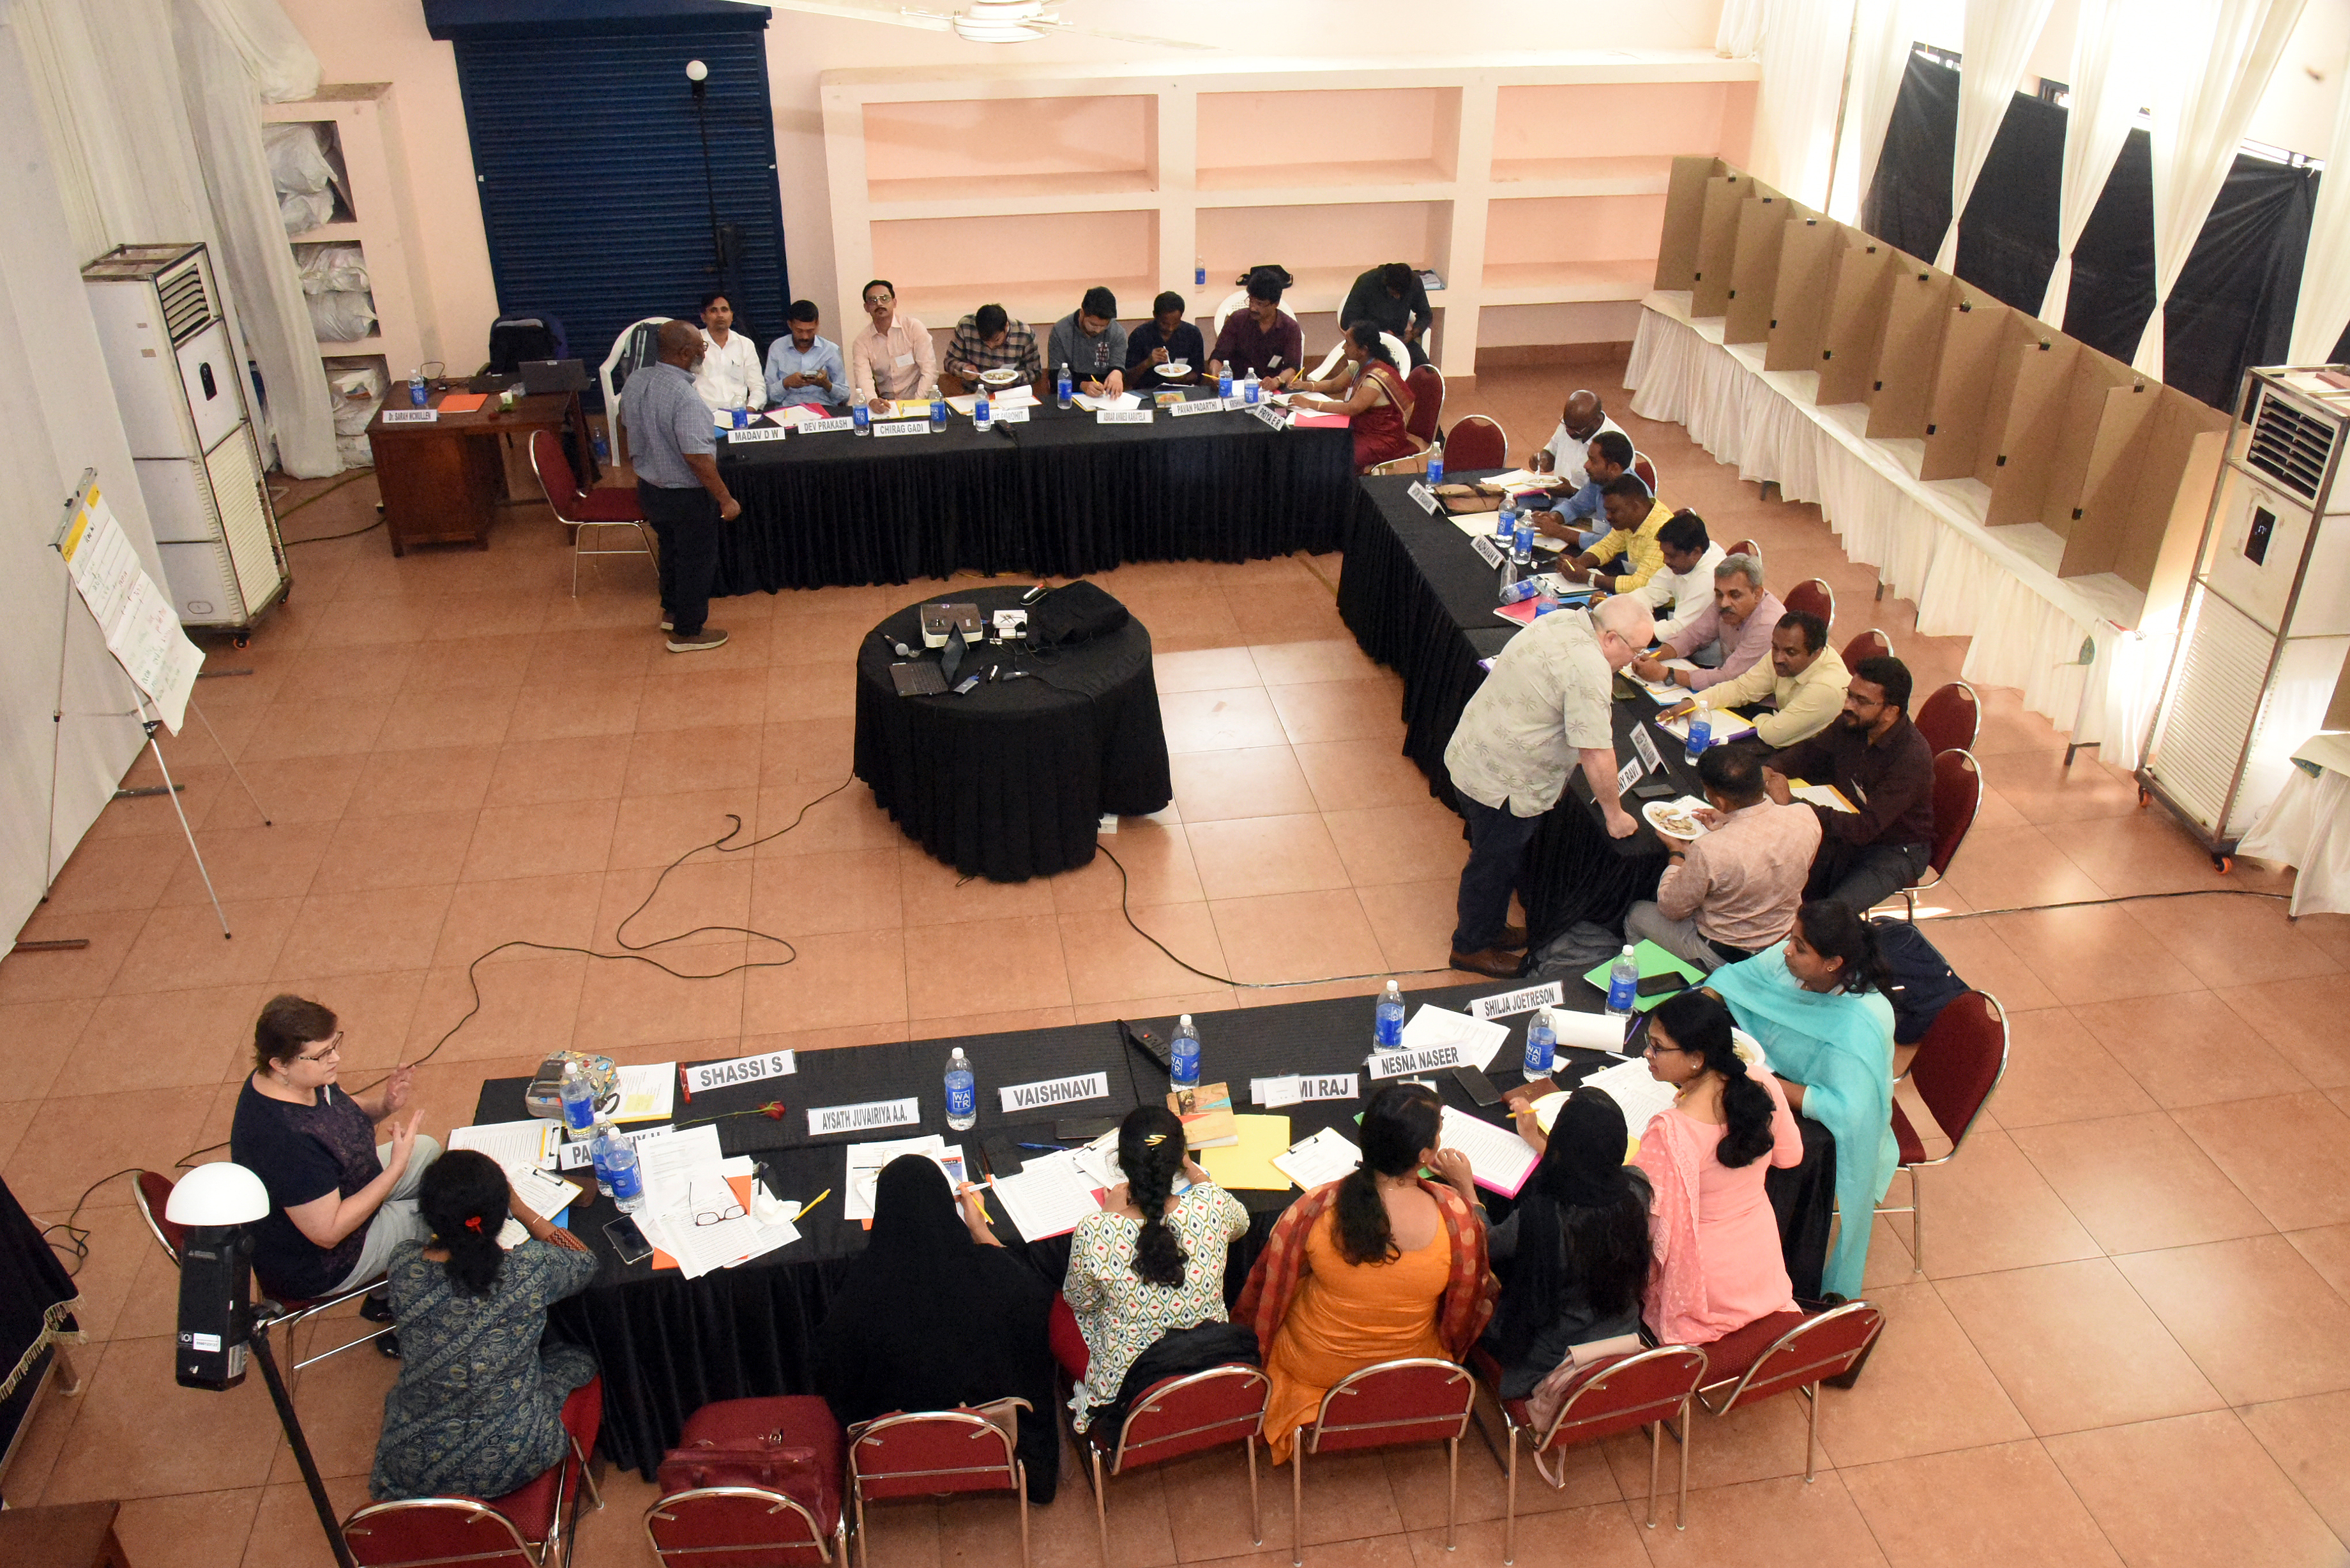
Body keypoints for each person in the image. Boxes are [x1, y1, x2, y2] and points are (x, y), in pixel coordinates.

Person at [1236, 1083, 1494, 1465]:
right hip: (1407, 1369)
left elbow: (1272, 1280)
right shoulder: (1457, 1216)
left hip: (1315, 1370)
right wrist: (1467, 1188)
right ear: (1424, 1155)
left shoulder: (1317, 1208)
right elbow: (1470, 1299)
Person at [814, 1155, 1058, 1502]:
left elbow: (833, 1372)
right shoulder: (993, 1277)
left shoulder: (858, 1290)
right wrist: (980, 1230)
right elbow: (1035, 1297)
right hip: (987, 1442)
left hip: (897, 1449)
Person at [1443, 595, 1655, 978]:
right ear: (1609, 639)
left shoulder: (1563, 620)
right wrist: (1614, 815)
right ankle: (1470, 947)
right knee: (1493, 864)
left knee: (1495, 856)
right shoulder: (1589, 666)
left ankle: (1490, 927)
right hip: (1504, 782)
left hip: (1476, 751)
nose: (1637, 660)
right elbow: (1595, 752)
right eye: (1636, 650)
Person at [367, 1150, 598, 1501]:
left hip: (416, 1462)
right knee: (578, 1360)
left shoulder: (404, 1266)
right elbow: (583, 1260)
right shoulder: (529, 1268)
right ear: (498, 1213)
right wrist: (520, 1208)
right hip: (514, 1452)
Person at [1708, 901, 1897, 1300]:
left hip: (1826, 1123)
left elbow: (1845, 1109)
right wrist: (1704, 1006)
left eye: (1799, 947)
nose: (1785, 951)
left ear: (1833, 963)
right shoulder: (1790, 961)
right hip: (1772, 1070)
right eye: (1791, 939)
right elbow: (1735, 980)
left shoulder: (1860, 1021)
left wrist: (1764, 1081)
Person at [231, 996, 437, 1343]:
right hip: (322, 1259)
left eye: (334, 1046)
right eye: (323, 1054)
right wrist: (395, 1170)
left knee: (430, 1151)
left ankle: (388, 1292)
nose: (336, 1058)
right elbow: (327, 1232)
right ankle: (403, 1311)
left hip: (343, 1188)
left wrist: (384, 1106)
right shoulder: (285, 1142)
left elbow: (340, 1111)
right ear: (280, 1064)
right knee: (429, 1214)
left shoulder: (296, 1078)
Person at [1624, 990, 1805, 1345]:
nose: (1647, 1053)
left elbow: (1642, 1219)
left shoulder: (1672, 1131)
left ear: (1696, 1059)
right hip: (1762, 1265)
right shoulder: (1762, 1082)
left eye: (1658, 1047)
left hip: (1706, 1283)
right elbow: (1790, 1156)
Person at [1058, 1106, 1250, 1432]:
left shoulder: (1096, 1230)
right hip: (1210, 1360)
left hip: (1131, 1389)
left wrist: (1108, 1216)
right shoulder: (1211, 1205)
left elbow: (1081, 1302)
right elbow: (1241, 1225)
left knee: (1058, 1307)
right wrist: (1191, 1169)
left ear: (1122, 1163)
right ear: (1176, 1159)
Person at [1481, 1089, 1649, 1402]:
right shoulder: (1637, 1189)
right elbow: (1589, 1173)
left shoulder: (1540, 1219)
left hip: (1551, 1357)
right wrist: (1534, 1139)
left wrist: (1467, 1194)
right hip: (1621, 1337)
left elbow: (1484, 1246)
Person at [1764, 656, 1936, 915]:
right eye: (1850, 695)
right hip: (1846, 820)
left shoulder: (1911, 759)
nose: (1849, 705)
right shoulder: (1854, 722)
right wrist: (1773, 767)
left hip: (1893, 848)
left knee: (1828, 917)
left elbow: (1864, 829)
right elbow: (1811, 754)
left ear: (1891, 711)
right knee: (1772, 874)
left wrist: (1793, 803)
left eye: (1861, 701)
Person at [1628, 743, 1821, 972]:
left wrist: (1677, 854)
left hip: (1722, 952)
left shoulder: (1710, 850)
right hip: (1780, 940)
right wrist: (1729, 822)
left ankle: (1657, 984)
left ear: (1719, 801)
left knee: (1636, 914)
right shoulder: (1806, 817)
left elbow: (1671, 908)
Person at [623, 319, 739, 654]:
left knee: (671, 552)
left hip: (649, 488)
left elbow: (626, 423)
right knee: (696, 562)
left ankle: (672, 612)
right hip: (685, 496)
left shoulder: (636, 380)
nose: (705, 351)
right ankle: (687, 633)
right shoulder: (684, 397)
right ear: (685, 353)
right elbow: (698, 459)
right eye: (701, 348)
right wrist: (726, 499)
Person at [1660, 609, 1847, 748]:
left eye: (1790, 652)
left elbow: (1773, 735)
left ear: (1816, 654)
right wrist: (1694, 702)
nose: (1777, 658)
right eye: (1775, 648)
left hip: (1813, 758)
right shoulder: (1782, 650)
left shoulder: (1826, 688)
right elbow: (1741, 689)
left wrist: (1763, 718)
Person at [1632, 554, 1783, 691]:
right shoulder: (1724, 602)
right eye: (1719, 594)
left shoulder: (1767, 626)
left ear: (1757, 594)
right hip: (1726, 686)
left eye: (1735, 595)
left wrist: (1665, 674)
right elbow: (1693, 636)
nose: (1724, 603)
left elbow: (1728, 678)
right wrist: (1653, 656)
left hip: (1758, 704)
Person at [1287, 319, 1417, 471]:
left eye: (1348, 343)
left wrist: (1310, 404)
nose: (1344, 347)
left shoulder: (1375, 377)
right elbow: (1335, 385)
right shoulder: (1359, 365)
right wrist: (1306, 386)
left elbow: (1351, 408)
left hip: (1382, 439)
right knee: (1321, 446)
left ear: (1363, 349)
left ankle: (1350, 492)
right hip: (1359, 429)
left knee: (1336, 457)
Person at [1527, 431, 1644, 549]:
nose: (1586, 465)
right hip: (1595, 543)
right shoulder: (1599, 480)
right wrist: (1554, 517)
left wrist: (1560, 532)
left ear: (1614, 468)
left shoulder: (1631, 499)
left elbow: (1611, 544)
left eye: (1593, 461)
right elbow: (1576, 506)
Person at [1631, 511, 1725, 652]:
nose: (1665, 561)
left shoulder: (1708, 577)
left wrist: (1632, 631)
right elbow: (1652, 592)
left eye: (1671, 556)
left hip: (1702, 652)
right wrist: (1621, 605)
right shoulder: (1685, 559)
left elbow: (1680, 630)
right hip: (1679, 626)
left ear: (1695, 553)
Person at [1565, 476, 1671, 594]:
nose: (1608, 517)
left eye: (1613, 511)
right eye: (1607, 511)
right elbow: (1606, 546)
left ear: (1636, 507)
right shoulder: (1632, 518)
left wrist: (1589, 578)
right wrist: (1577, 563)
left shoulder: (1662, 531)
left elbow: (1641, 585)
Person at [1207, 268, 1304, 389]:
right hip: (1237, 387)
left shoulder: (1290, 328)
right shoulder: (1237, 320)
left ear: (1275, 304)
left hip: (1271, 389)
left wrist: (1277, 380)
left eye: (1260, 304)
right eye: (1251, 301)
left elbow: (1293, 367)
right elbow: (1218, 356)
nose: (1253, 308)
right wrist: (1215, 373)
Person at [849, 278, 937, 403]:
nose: (879, 304)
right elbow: (863, 378)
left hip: (920, 400)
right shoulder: (861, 342)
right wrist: (873, 401)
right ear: (866, 307)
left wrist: (917, 404)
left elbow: (930, 371)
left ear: (895, 302)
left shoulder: (913, 328)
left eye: (884, 299)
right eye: (873, 301)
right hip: (887, 405)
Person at [1338, 260, 1433, 368]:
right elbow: (1347, 320)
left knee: (1426, 371)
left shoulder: (1414, 282)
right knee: (1384, 370)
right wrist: (1380, 332)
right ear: (1386, 284)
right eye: (1395, 293)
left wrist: (1414, 333)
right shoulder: (1366, 282)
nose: (1398, 297)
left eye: (1402, 295)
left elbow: (1425, 314)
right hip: (1371, 342)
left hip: (1400, 339)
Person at [1528, 390, 1625, 490]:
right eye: (1566, 425)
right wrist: (1542, 460)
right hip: (1559, 499)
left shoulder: (1618, 445)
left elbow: (1614, 500)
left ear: (1597, 421)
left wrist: (1573, 493)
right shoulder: (1571, 424)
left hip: (1586, 505)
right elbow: (1552, 452)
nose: (1568, 431)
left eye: (1576, 429)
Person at [763, 298, 846, 409]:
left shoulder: (830, 350)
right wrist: (786, 383)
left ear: (817, 325)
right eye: (799, 331)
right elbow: (767, 395)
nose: (805, 337)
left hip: (823, 408)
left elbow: (845, 395)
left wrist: (826, 385)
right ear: (790, 325)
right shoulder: (777, 348)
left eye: (810, 331)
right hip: (788, 410)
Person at [944, 303, 1043, 395]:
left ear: (1006, 327)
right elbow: (949, 362)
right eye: (985, 341)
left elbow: (1035, 373)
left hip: (1011, 395)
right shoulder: (966, 327)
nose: (991, 346)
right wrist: (964, 369)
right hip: (975, 394)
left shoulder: (1024, 334)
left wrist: (1014, 377)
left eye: (996, 340)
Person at [691, 291, 764, 415]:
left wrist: (750, 409)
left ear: (732, 315)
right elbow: (686, 384)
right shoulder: (693, 342)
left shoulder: (745, 344)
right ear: (703, 317)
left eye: (724, 310)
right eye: (714, 311)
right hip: (704, 415)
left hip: (740, 414)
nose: (720, 315)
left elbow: (757, 385)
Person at [1048, 286, 1128, 398]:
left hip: (1104, 397)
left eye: (1104, 326)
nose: (1098, 330)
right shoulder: (1061, 331)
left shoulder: (1117, 332)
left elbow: (1118, 365)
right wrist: (1082, 385)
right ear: (1082, 313)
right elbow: (1055, 375)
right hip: (1070, 395)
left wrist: (1117, 373)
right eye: (1093, 325)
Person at [1125, 290, 1208, 386]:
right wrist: (1147, 363)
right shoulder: (1140, 336)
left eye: (1176, 323)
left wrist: (1183, 378)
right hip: (1148, 391)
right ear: (1155, 315)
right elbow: (1127, 379)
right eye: (1164, 324)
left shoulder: (1192, 334)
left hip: (1183, 390)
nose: (1170, 328)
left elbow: (1199, 373)